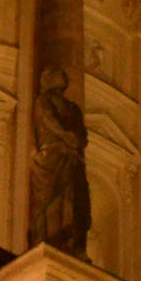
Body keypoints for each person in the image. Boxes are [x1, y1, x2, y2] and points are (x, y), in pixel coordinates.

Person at [27, 66, 91, 257]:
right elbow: (48, 119)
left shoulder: (73, 108)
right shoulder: (43, 100)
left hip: (71, 159)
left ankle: (70, 239)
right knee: (51, 200)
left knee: (74, 201)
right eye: (57, 73)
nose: (63, 76)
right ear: (48, 80)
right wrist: (67, 136)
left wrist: (78, 139)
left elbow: (82, 132)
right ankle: (50, 239)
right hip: (53, 157)